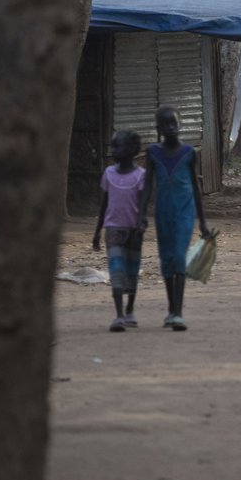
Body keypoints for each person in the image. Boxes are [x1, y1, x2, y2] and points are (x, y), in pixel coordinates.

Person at [142, 106, 212, 331]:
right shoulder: (152, 152)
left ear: (180, 125)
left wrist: (202, 222)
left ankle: (178, 313)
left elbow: (195, 187)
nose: (171, 127)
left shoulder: (190, 153)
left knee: (179, 257)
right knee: (166, 260)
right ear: (158, 128)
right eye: (166, 124)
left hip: (185, 213)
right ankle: (171, 309)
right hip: (163, 214)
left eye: (174, 123)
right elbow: (147, 187)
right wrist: (140, 215)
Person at [92, 130, 146, 333]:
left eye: (117, 146)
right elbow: (104, 205)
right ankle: (119, 315)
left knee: (132, 270)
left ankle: (130, 309)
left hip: (134, 231)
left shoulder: (141, 176)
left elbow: (142, 205)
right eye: (112, 146)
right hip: (113, 230)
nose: (113, 150)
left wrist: (141, 224)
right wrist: (97, 232)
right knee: (116, 270)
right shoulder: (108, 174)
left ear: (132, 150)